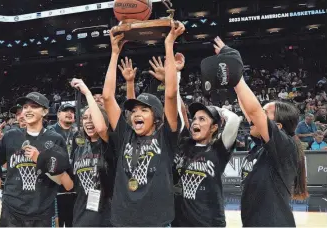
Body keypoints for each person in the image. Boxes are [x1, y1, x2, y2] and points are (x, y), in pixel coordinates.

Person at [205, 38, 308, 226]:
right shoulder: (262, 148)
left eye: (265, 112)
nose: (256, 115)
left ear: (278, 127)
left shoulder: (285, 146)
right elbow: (249, 110)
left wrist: (236, 65)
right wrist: (234, 76)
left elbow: (253, 111)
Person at [102, 22, 184, 226]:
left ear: (157, 117)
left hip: (156, 222)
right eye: (134, 110)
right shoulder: (125, 134)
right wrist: (114, 54)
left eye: (144, 109)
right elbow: (107, 97)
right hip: (123, 219)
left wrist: (169, 44)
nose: (136, 114)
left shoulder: (166, 135)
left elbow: (171, 94)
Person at [0, 92, 74, 227]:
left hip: (42, 210)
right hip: (12, 210)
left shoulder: (56, 139)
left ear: (45, 111)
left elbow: (64, 182)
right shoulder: (11, 136)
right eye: (25, 107)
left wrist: (40, 160)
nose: (28, 110)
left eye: (34, 106)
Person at [173, 102, 240, 226]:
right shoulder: (184, 144)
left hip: (209, 222)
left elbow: (234, 120)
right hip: (180, 222)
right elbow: (179, 110)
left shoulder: (218, 149)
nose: (195, 122)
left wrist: (220, 110)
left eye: (202, 119)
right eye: (194, 119)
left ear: (213, 128)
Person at [69, 78, 114, 226]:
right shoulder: (79, 147)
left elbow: (101, 129)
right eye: (84, 118)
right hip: (82, 212)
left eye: (92, 118)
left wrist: (87, 93)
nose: (88, 121)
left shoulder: (110, 143)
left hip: (107, 213)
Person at [48, 102, 77, 227]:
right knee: (56, 222)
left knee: (72, 222)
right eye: (66, 111)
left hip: (74, 185)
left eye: (72, 111)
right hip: (55, 186)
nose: (69, 113)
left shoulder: (79, 132)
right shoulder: (50, 131)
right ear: (58, 114)